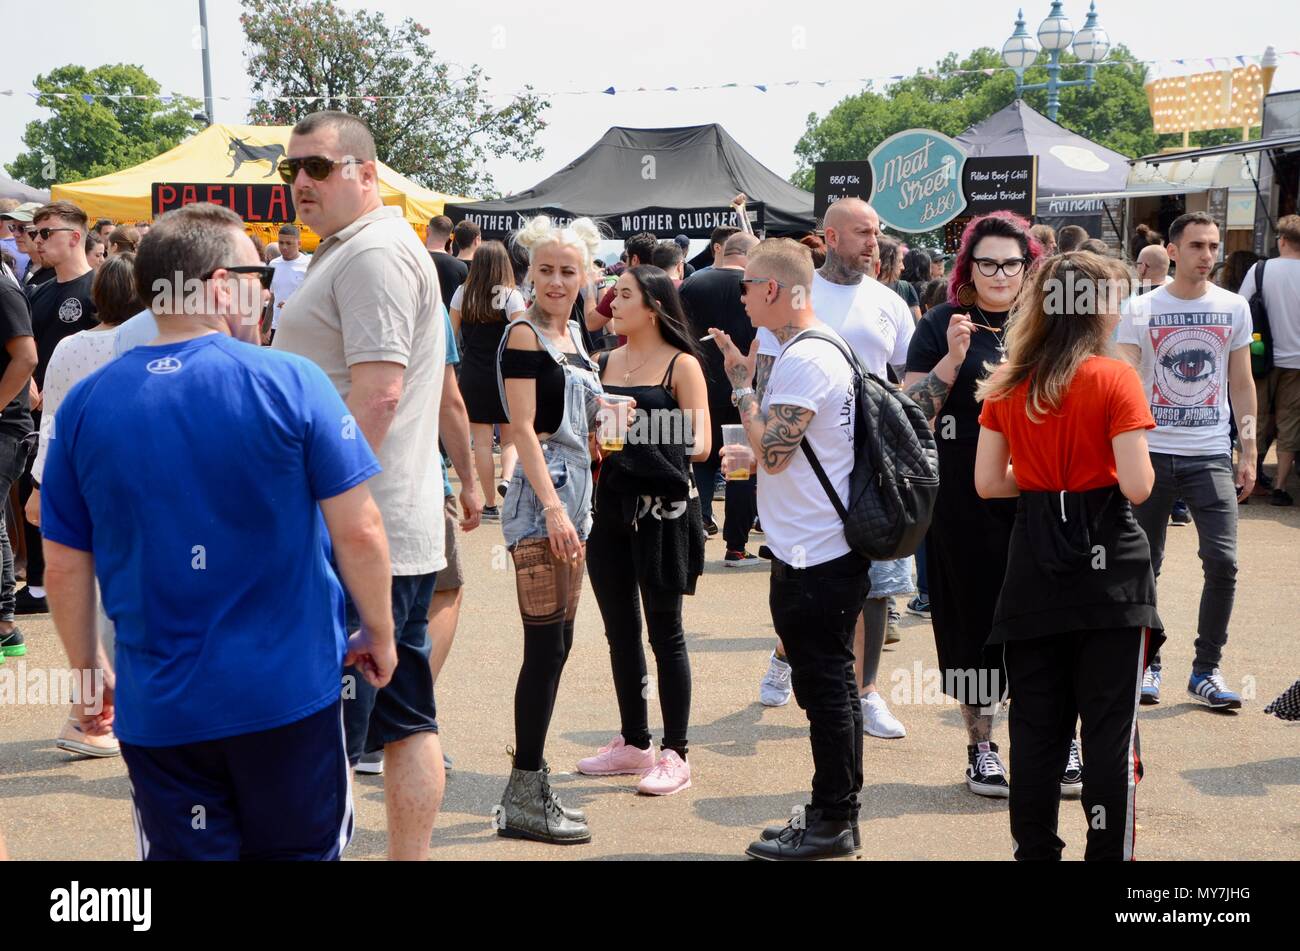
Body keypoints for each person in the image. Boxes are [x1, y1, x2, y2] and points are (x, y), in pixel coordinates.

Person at [40, 201, 393, 860]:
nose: (264, 290)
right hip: (288, 696)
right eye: (256, 274)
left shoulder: (87, 404)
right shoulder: (292, 381)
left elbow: (63, 561)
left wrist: (89, 668)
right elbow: (362, 528)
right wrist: (379, 628)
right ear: (218, 283)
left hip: (163, 709)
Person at [273, 111, 480, 861]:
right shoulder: (357, 249)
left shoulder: (372, 254)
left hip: (364, 530)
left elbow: (380, 394)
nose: (300, 181)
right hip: (379, 527)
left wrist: (320, 504)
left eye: (318, 167)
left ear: (365, 172)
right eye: (291, 168)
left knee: (330, 731)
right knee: (407, 718)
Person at [974, 250, 1163, 860]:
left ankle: (1035, 855)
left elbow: (987, 482)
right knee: (1109, 737)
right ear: (1096, 307)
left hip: (1034, 563)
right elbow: (1138, 486)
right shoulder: (1115, 377)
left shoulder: (1010, 379)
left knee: (1035, 731)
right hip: (1110, 564)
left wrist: (1043, 477)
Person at [710, 238, 867, 860]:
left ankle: (833, 821)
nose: (743, 296)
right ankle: (835, 812)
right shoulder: (823, 346)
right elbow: (795, 450)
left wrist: (743, 388)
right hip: (818, 544)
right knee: (831, 685)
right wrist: (757, 444)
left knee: (826, 688)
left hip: (815, 553)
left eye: (748, 286)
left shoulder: (805, 357)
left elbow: (776, 451)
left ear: (772, 289)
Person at [753, 199, 914, 737]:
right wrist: (758, 432)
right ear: (831, 236)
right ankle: (788, 658)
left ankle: (865, 692)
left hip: (867, 470)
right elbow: (767, 377)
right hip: (805, 468)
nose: (874, 242)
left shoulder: (891, 302)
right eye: (863, 232)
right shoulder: (795, 293)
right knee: (807, 582)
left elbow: (904, 384)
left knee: (872, 587)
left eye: (877, 231)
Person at [905, 211, 1047, 798]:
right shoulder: (941, 323)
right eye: (986, 262)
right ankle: (981, 747)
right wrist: (951, 362)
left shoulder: (1048, 324)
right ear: (969, 267)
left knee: (1045, 620)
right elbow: (910, 413)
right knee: (969, 620)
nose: (999, 273)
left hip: (1038, 490)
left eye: (1011, 263)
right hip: (962, 496)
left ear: (1027, 267)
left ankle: (1057, 741)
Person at [494, 214, 610, 845]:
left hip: (578, 495)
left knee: (559, 644)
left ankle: (531, 785)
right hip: (546, 506)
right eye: (546, 270)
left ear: (588, 273)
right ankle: (524, 794)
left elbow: (578, 422)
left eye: (568, 270)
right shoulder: (523, 335)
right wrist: (553, 508)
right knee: (544, 648)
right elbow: (520, 430)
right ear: (529, 273)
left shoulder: (574, 338)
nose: (557, 281)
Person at [1117, 212, 1257, 710]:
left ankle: (1205, 670)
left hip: (1210, 453)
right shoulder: (1139, 308)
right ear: (1172, 251)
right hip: (1151, 452)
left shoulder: (1234, 306)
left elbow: (1240, 382)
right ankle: (1147, 663)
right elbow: (1125, 383)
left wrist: (1249, 448)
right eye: (1197, 245)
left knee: (1223, 561)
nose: (1208, 255)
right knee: (1142, 564)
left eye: (1214, 246)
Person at [579, 265, 710, 796]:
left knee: (665, 631)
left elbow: (701, 443)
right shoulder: (601, 360)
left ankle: (676, 751)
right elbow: (583, 433)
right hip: (608, 508)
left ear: (654, 306)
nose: (611, 302)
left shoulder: (682, 364)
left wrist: (639, 424)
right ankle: (635, 742)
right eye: (613, 293)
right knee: (619, 631)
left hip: (663, 513)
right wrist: (592, 432)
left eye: (624, 294)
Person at [27, 254, 141, 757]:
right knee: (118, 604)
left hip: (77, 479)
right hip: (133, 482)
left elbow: (50, 420)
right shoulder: (144, 343)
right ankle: (91, 717)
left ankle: (91, 713)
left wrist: (38, 486)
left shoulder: (72, 346)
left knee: (90, 601)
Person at [18, 202, 100, 617]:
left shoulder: (98, 291)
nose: (37, 240)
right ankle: (37, 584)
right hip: (34, 416)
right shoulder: (38, 289)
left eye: (45, 232)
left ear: (74, 236)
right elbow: (24, 345)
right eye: (34, 233)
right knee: (29, 496)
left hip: (83, 419)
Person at [678, 231, 761, 560]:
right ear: (746, 254)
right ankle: (736, 547)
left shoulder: (693, 284)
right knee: (740, 467)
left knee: (701, 458)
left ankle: (698, 526)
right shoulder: (757, 287)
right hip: (741, 390)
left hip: (697, 386)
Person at [450, 240, 527, 521]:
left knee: (481, 442)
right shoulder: (511, 296)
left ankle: (490, 505)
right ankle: (506, 477)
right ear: (503, 264)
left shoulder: (463, 293)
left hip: (472, 372)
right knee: (510, 438)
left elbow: (451, 334)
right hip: (504, 374)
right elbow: (522, 336)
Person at [1242, 215, 1300, 505]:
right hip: (1298, 363)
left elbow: (1241, 308)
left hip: (1260, 357)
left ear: (1283, 240)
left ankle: (1246, 480)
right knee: (1290, 421)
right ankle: (1280, 487)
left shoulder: (1261, 270)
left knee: (1256, 416)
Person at [0, 255, 36, 668]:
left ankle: (6, 625)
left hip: (6, 428)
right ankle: (6, 625)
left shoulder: (4, 289)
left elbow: (26, 357)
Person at [266, 223, 311, 345]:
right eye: (281, 243)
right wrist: (265, 329)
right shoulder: (273, 265)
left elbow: (316, 299)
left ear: (299, 244)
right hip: (277, 327)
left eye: (289, 243)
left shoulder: (309, 264)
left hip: (302, 328)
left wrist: (293, 304)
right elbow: (272, 300)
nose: (284, 247)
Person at [877, 234, 922, 322]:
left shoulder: (905, 289)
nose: (903, 267)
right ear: (887, 263)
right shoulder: (861, 290)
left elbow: (917, 329)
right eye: (899, 261)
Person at [428, 215, 469, 306]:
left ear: (428, 230)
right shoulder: (460, 266)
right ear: (449, 236)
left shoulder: (414, 260)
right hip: (448, 319)